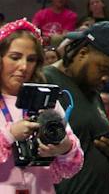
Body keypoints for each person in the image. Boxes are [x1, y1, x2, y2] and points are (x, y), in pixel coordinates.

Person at [43, 21, 109, 194]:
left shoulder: (93, 93)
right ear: (82, 53)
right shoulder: (45, 81)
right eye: (103, 68)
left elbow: (91, 147)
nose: (106, 78)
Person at [0, 19, 85, 194]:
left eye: (31, 59)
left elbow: (73, 162)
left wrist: (64, 148)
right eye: (15, 57)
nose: (23, 67)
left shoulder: (47, 102)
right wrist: (9, 135)